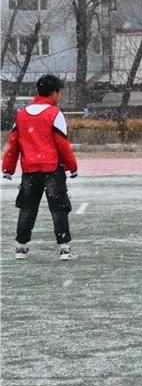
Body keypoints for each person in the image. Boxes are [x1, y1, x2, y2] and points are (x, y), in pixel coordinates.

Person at [2, 74, 78, 261]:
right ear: (54, 93)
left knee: (27, 208)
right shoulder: (55, 114)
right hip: (52, 169)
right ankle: (64, 249)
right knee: (59, 209)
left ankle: (21, 247)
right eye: (59, 92)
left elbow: (13, 142)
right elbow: (62, 144)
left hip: (30, 170)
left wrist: (8, 168)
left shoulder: (21, 114)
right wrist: (72, 167)